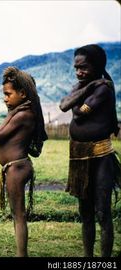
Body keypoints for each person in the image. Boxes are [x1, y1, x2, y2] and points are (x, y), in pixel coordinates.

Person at [59, 44, 120, 257]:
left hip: (101, 156)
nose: (78, 72)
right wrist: (88, 85)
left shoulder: (104, 89)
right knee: (85, 213)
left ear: (96, 66)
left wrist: (87, 90)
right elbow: (64, 105)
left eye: (83, 67)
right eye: (76, 68)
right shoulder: (91, 85)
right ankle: (88, 258)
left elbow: (81, 111)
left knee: (102, 212)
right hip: (79, 157)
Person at [0, 66, 47, 257]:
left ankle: (21, 254)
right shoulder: (23, 111)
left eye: (8, 94)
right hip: (15, 168)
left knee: (19, 215)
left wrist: (11, 113)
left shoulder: (23, 114)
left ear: (23, 93)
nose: (5, 99)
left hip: (17, 168)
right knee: (18, 214)